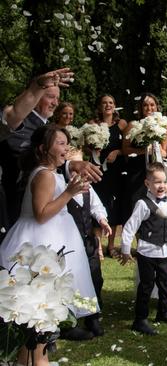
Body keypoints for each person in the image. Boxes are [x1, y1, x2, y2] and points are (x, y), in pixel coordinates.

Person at [0, 125, 99, 363]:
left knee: (45, 309)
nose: (66, 148)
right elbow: (41, 214)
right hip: (38, 243)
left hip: (53, 238)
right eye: (60, 143)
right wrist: (68, 192)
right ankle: (36, 359)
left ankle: (31, 358)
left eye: (67, 143)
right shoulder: (44, 174)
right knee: (39, 306)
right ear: (43, 148)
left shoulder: (49, 172)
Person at [0, 69, 102, 226]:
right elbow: (26, 157)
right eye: (50, 97)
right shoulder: (21, 123)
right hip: (15, 205)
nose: (55, 103)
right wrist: (70, 164)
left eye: (57, 98)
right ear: (35, 96)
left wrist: (71, 164)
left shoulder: (48, 126)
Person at [118, 162, 167, 335]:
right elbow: (130, 227)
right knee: (146, 285)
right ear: (147, 184)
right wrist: (125, 250)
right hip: (147, 252)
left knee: (165, 282)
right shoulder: (143, 204)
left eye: (163, 182)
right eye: (156, 182)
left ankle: (164, 312)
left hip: (164, 252)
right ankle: (140, 320)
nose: (161, 186)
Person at [66, 176, 112, 338]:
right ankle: (69, 321)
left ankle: (92, 317)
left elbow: (96, 206)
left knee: (95, 278)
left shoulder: (88, 190)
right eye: (75, 173)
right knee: (71, 281)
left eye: (84, 174)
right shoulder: (63, 191)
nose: (80, 178)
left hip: (88, 243)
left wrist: (102, 220)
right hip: (69, 243)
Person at [86, 94, 128, 257]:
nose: (108, 105)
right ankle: (99, 247)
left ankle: (111, 245)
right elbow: (84, 146)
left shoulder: (122, 124)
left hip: (116, 170)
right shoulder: (92, 124)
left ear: (115, 105)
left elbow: (127, 146)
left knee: (114, 206)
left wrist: (117, 152)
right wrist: (92, 151)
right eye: (104, 103)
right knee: (98, 203)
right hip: (98, 170)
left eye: (110, 102)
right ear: (99, 106)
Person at [122, 93, 159, 219]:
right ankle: (138, 237)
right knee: (137, 205)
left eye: (152, 105)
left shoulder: (162, 125)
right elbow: (125, 149)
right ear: (140, 108)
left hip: (156, 171)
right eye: (145, 105)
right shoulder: (133, 125)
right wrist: (143, 151)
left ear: (157, 107)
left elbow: (165, 151)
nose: (149, 108)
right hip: (137, 171)